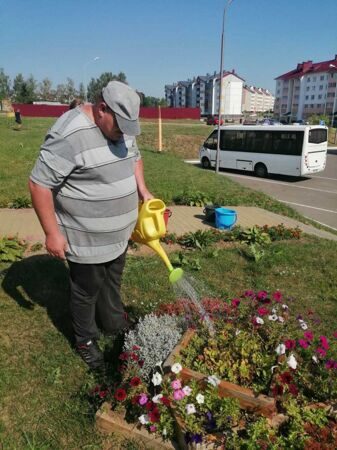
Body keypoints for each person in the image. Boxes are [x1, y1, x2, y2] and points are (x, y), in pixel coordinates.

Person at [29, 81, 153, 371]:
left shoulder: (120, 126)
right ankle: (85, 340)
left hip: (119, 234)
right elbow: (39, 184)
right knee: (86, 290)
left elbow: (135, 158)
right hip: (85, 238)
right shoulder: (69, 133)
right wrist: (51, 233)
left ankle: (112, 321)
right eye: (120, 125)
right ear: (101, 109)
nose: (123, 132)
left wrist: (143, 191)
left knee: (112, 280)